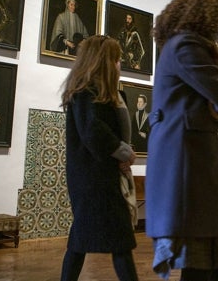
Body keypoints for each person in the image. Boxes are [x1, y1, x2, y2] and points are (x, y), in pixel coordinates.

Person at [146, 0, 218, 281]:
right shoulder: (186, 45)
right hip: (187, 159)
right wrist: (216, 110)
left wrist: (212, 110)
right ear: (207, 18)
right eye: (216, 21)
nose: (217, 28)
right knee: (201, 259)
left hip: (189, 156)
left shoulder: (175, 45)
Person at [59, 35, 139, 281]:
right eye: (116, 59)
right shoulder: (85, 92)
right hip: (93, 179)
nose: (119, 64)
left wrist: (123, 155)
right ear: (103, 61)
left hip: (103, 176)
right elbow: (93, 131)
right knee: (117, 241)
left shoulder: (111, 93)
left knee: (88, 239)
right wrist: (124, 152)